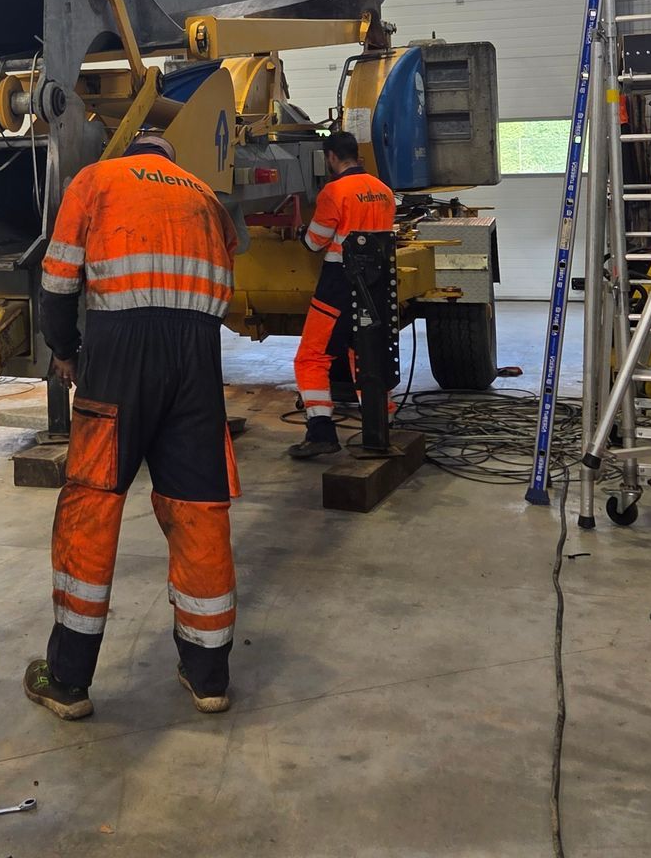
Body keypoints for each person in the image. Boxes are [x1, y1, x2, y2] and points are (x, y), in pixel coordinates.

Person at [23, 130, 241, 722]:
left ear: (131, 152)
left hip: (119, 355)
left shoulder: (95, 179)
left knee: (92, 504)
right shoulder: (205, 196)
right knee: (200, 508)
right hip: (197, 361)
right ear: (170, 159)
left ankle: (67, 679)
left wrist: (64, 349)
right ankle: (208, 676)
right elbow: (225, 284)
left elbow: (58, 280)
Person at [288, 130, 398, 459]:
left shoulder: (334, 192)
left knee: (311, 357)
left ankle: (321, 431)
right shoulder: (383, 190)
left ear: (331, 157)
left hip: (338, 285)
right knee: (364, 354)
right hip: (378, 284)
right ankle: (381, 422)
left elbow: (315, 242)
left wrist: (300, 234)